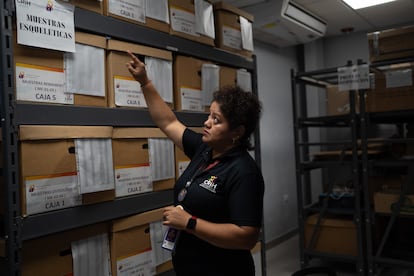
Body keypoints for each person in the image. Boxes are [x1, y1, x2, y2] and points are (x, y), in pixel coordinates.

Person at [126, 50, 264, 276]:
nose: (206, 123)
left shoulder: (244, 172)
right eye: (209, 115)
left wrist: (190, 223)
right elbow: (168, 121)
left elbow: (246, 237)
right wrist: (144, 81)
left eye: (216, 120)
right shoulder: (205, 149)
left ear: (237, 132)